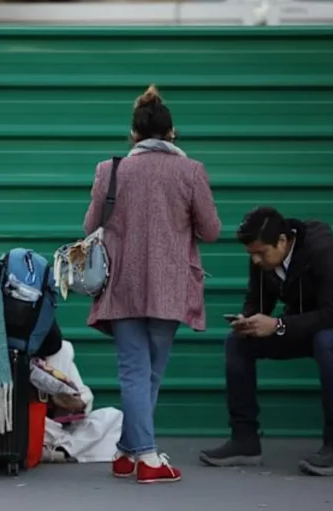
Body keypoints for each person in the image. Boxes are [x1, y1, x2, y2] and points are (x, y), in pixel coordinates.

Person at [82, 84, 222, 483]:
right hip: (170, 285)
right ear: (172, 133)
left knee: (135, 371)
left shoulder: (109, 170)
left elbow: (89, 226)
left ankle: (128, 451)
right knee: (149, 373)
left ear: (133, 135)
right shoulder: (190, 171)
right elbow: (211, 231)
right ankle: (146, 457)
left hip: (121, 283)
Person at [199, 207, 333, 476]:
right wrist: (247, 321)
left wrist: (278, 324)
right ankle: (245, 441)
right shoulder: (263, 258)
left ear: (282, 241)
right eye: (251, 254)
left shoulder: (323, 250)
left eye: (261, 253)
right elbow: (258, 302)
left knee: (328, 341)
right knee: (237, 343)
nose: (255, 260)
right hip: (312, 328)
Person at [39, 339, 123, 464]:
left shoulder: (63, 351)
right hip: (42, 427)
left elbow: (84, 393)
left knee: (114, 416)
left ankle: (63, 451)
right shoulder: (19, 358)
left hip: (68, 429)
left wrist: (79, 403)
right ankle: (61, 451)